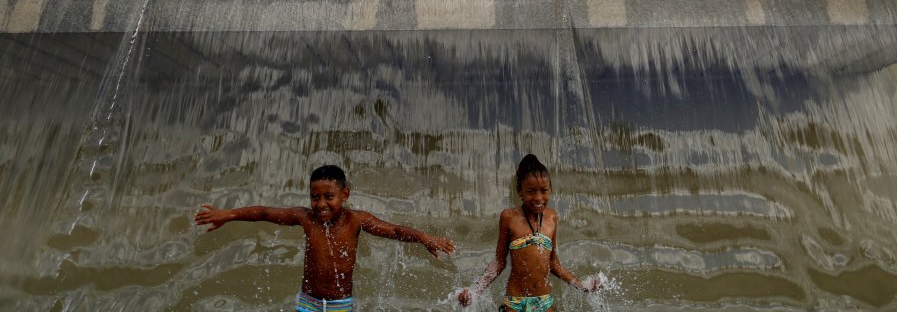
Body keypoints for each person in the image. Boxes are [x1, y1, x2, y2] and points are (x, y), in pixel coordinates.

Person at [195, 165, 454, 312]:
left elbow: (395, 231)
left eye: (328, 196)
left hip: (340, 304)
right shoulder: (305, 218)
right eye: (315, 197)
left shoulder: (357, 221)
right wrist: (227, 214)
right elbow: (264, 212)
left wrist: (424, 238)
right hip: (308, 301)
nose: (320, 204)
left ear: (345, 194)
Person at [457, 154, 599, 311]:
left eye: (544, 190)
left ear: (550, 190)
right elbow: (499, 261)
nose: (538, 197)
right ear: (520, 191)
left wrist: (581, 285)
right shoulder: (509, 217)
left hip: (545, 302)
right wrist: (475, 291)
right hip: (516, 302)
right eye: (531, 191)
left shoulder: (552, 217)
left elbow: (553, 263)